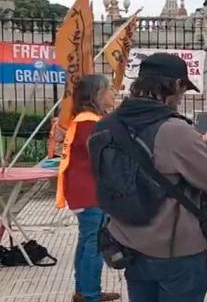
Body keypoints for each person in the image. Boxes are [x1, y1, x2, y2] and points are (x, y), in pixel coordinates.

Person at [97, 53, 207, 302]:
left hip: (129, 244)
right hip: (177, 252)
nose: (182, 98)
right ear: (175, 86)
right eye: (183, 89)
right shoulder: (175, 130)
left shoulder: (105, 125)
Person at [56, 75, 119, 302]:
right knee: (95, 245)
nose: (114, 94)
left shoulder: (82, 120)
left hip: (82, 191)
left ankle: (85, 289)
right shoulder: (90, 123)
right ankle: (90, 294)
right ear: (97, 94)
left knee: (87, 242)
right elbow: (104, 157)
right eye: (110, 89)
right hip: (91, 192)